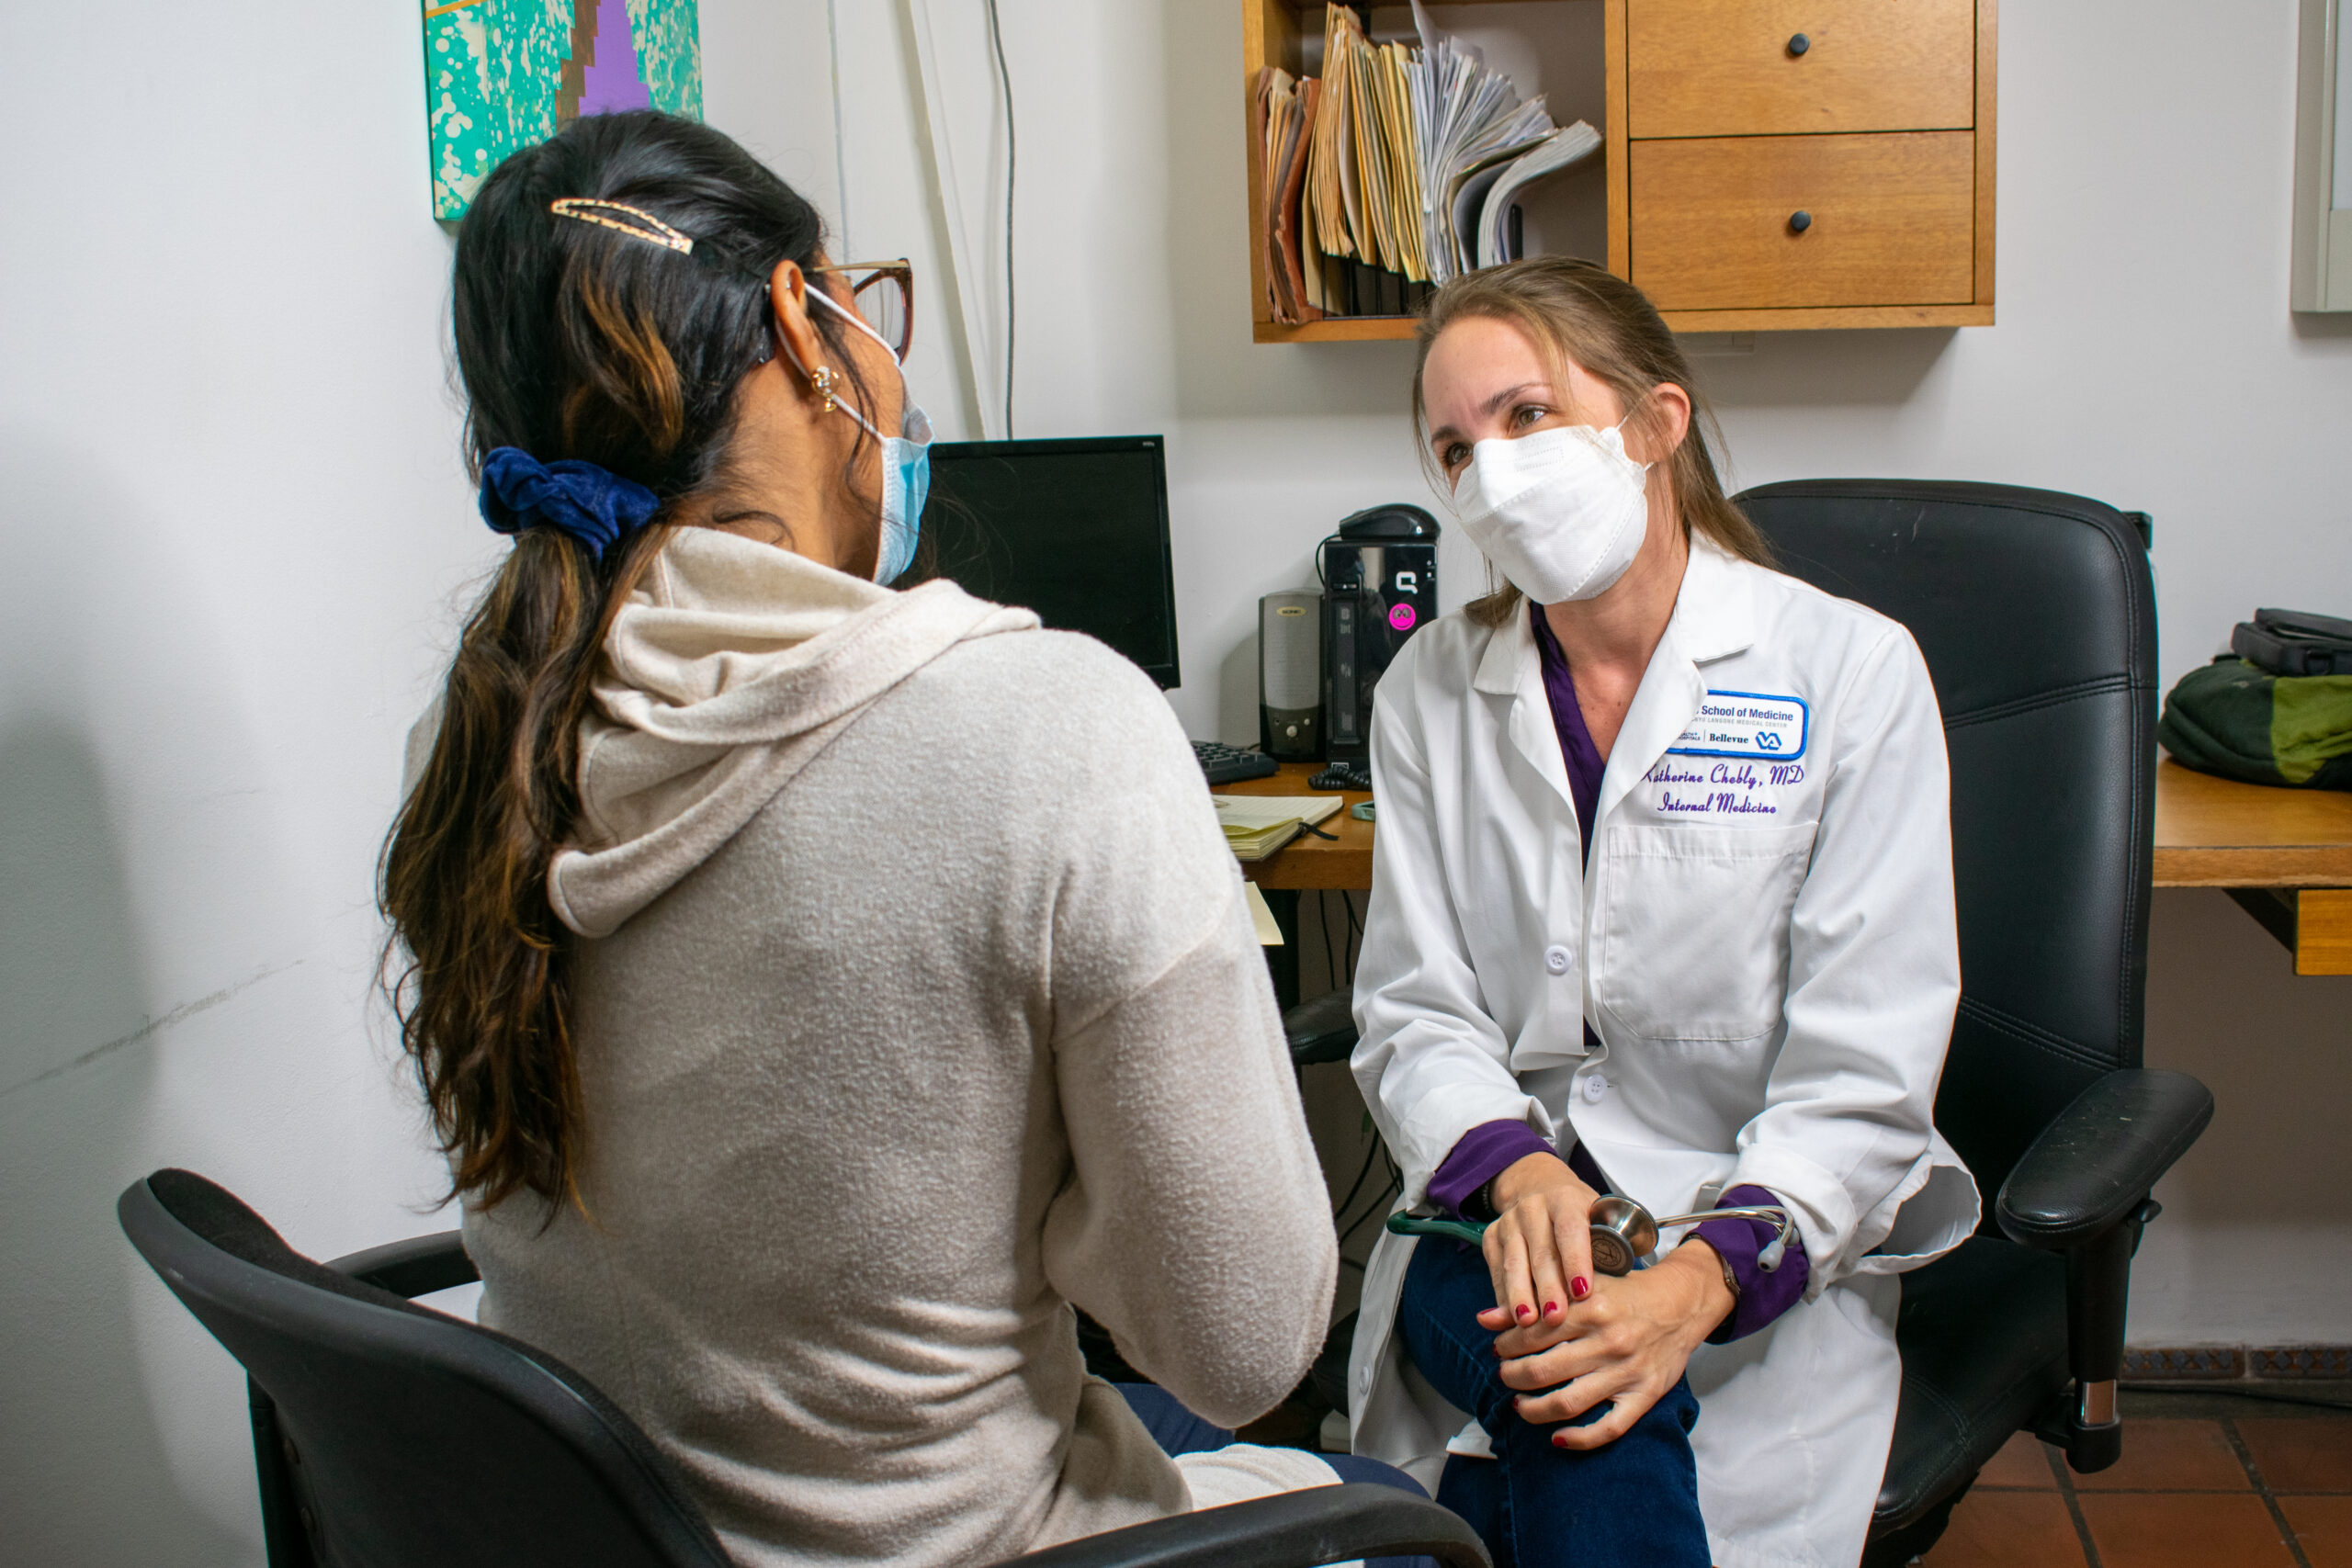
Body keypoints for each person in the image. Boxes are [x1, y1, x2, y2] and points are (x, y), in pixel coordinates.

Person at [380, 111, 1408, 1568]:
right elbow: (1241, 1352)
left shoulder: (486, 737)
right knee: (1399, 1512)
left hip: (609, 1534)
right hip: (977, 1546)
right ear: (805, 325)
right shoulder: (1057, 730)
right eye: (869, 302)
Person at [1343, 256, 1982, 1568]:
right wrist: (1520, 1169)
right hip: (1499, 1220)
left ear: (1653, 424)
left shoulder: (1848, 673)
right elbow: (1416, 1009)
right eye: (1455, 449)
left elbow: (1866, 1061)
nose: (1490, 472)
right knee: (1579, 1399)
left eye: (1527, 415)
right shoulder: (1428, 690)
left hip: (1745, 1212)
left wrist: (1692, 1287)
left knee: (1574, 1420)